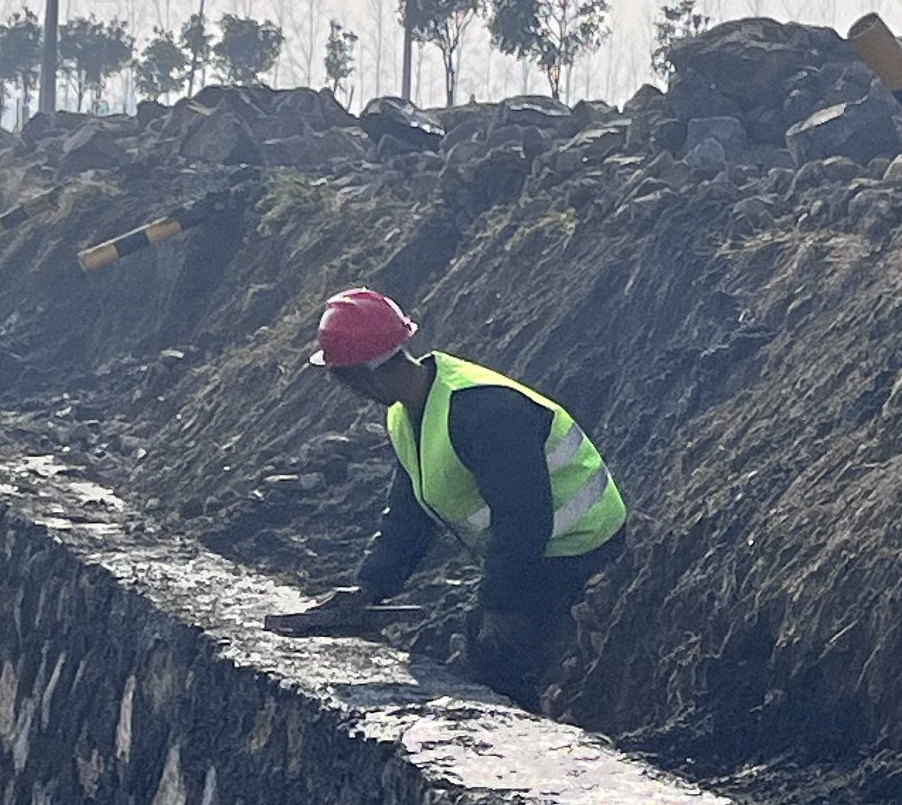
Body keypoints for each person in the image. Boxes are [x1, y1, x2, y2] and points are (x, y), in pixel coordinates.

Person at [262, 288, 632, 706]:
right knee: (483, 648)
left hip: (580, 551)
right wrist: (370, 587)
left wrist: (500, 603)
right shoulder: (407, 413)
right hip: (537, 550)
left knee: (500, 664)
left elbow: (524, 519)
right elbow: (408, 514)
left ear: (363, 376)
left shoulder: (482, 411)